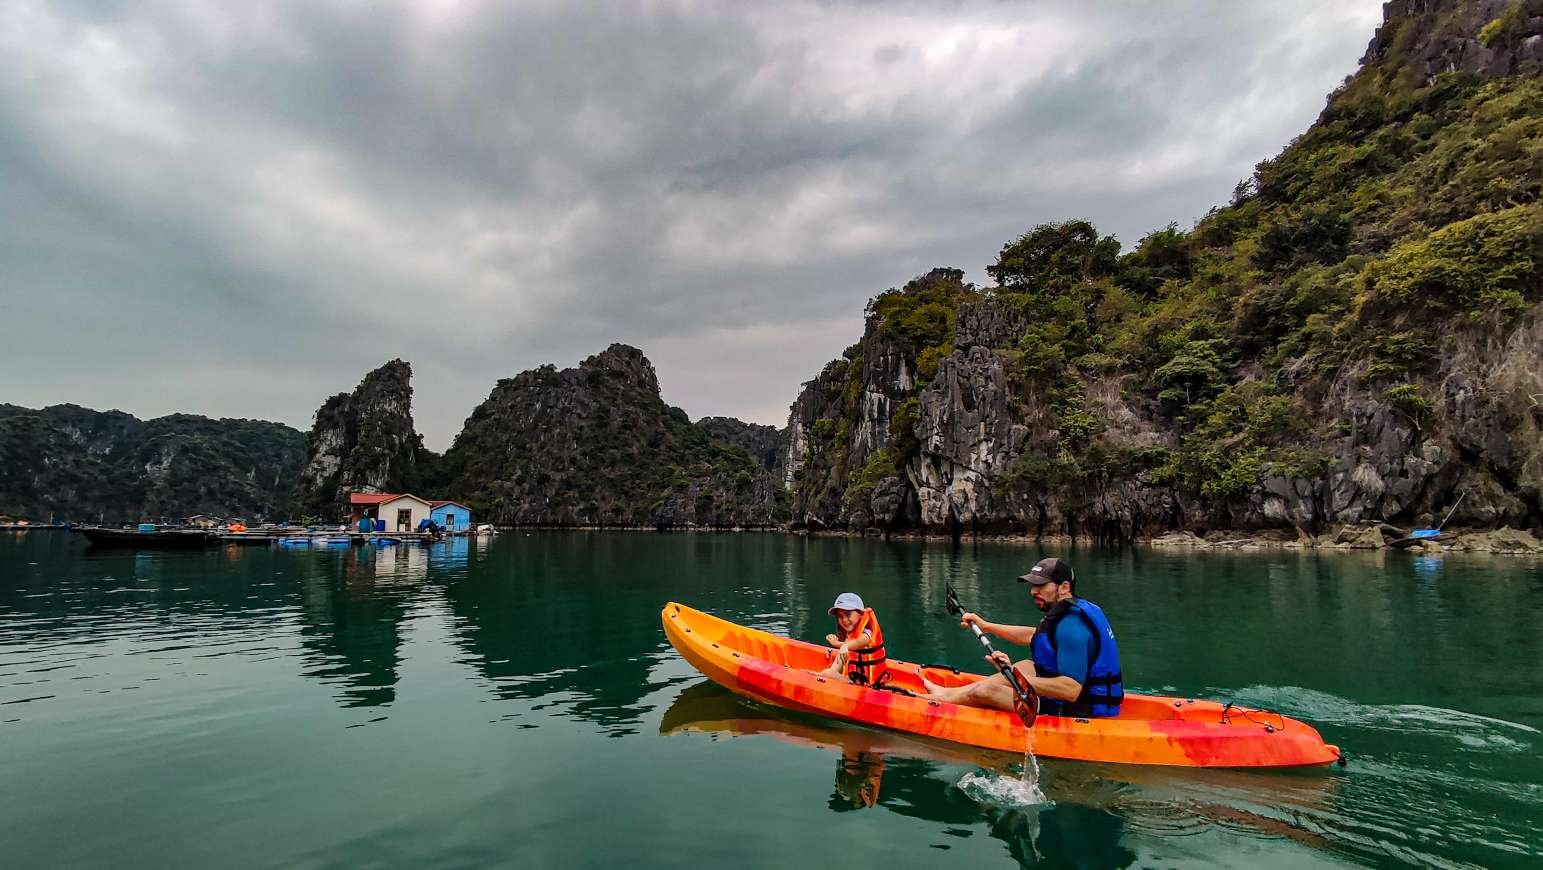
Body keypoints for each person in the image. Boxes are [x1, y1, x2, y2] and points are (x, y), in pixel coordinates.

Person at [919, 558, 1123, 718]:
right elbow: (1035, 636)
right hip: (1078, 698)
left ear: (1064, 587)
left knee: (988, 690)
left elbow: (1070, 690)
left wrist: (1014, 677)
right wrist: (986, 626)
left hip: (1078, 710)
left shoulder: (1072, 627)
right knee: (1028, 665)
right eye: (1033, 585)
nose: (1034, 591)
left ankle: (935, 702)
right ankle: (947, 695)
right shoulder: (1072, 611)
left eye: (1041, 585)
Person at [816, 592, 889, 687]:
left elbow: (861, 642)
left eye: (848, 614)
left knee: (826, 673)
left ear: (861, 614)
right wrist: (829, 673)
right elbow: (844, 655)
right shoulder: (851, 635)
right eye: (840, 616)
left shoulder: (867, 632)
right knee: (828, 672)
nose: (844, 620)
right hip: (857, 681)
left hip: (869, 684)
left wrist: (842, 645)